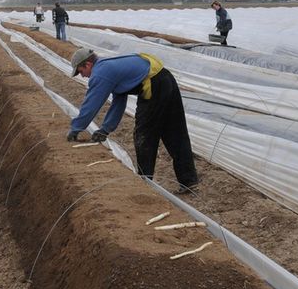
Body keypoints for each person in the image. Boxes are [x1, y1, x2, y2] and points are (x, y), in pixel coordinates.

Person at [66, 48, 199, 192]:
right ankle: (188, 180)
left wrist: (76, 128)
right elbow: (119, 100)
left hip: (154, 84)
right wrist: (105, 129)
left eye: (80, 71)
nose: (82, 76)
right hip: (165, 79)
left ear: (88, 65)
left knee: (145, 133)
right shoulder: (108, 67)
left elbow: (91, 104)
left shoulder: (100, 73)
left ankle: (144, 181)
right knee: (174, 131)